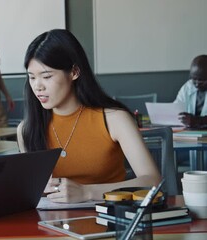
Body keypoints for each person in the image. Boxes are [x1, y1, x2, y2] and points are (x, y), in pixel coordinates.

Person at [17, 29, 161, 203]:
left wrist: (86, 192)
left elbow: (153, 181)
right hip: (50, 225)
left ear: (74, 72)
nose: (37, 86)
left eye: (46, 76)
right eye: (31, 77)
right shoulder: (27, 129)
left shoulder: (114, 119)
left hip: (110, 219)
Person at [174, 55, 207, 128]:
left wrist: (197, 121)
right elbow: (176, 108)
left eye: (202, 80)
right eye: (194, 79)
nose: (197, 83)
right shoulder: (188, 87)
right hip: (189, 132)